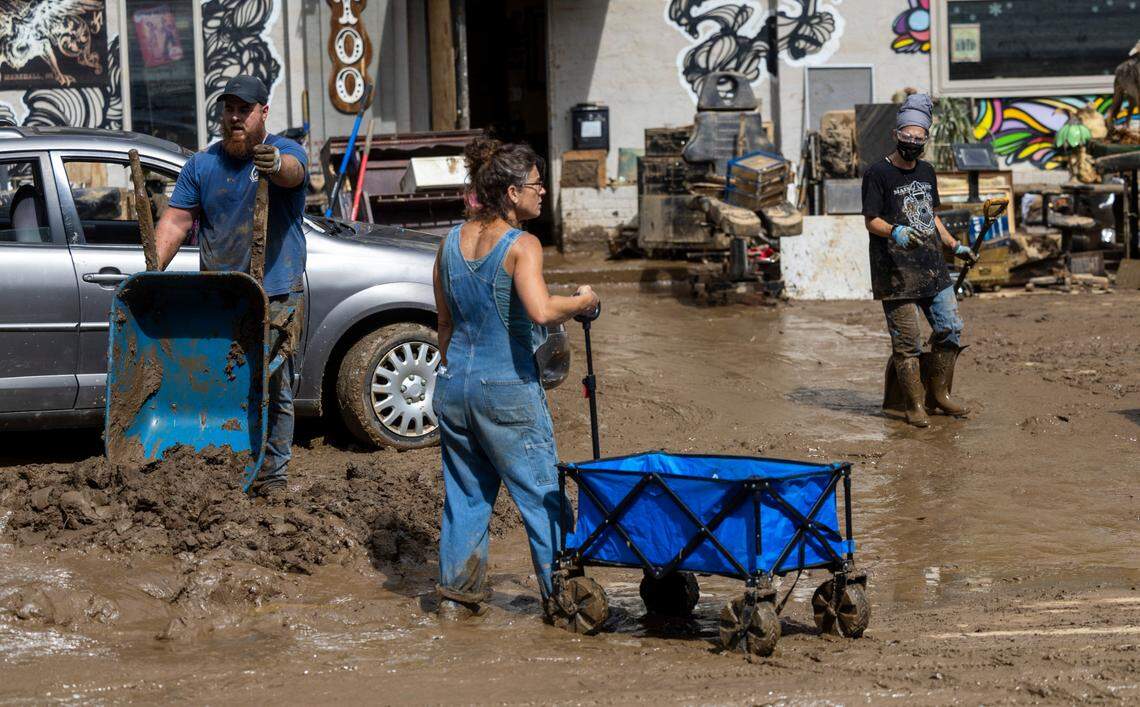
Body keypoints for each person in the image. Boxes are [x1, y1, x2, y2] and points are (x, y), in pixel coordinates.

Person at [432, 137, 600, 619]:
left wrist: (464, 373)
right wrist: (583, 301)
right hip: (507, 391)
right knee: (542, 493)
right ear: (510, 193)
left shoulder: (447, 243)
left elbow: (444, 325)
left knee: (465, 497)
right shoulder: (523, 244)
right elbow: (542, 310)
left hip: (454, 389)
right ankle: (566, 600)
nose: (542, 192)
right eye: (536, 185)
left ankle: (457, 599)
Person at [154, 75, 308, 497]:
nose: (236, 117)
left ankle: (273, 475)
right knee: (222, 380)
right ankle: (225, 462)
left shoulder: (285, 153)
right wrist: (152, 270)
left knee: (273, 386)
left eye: (245, 109)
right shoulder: (202, 166)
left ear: (263, 113)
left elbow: (293, 173)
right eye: (230, 109)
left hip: (275, 292)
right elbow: (176, 220)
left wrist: (274, 164)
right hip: (222, 295)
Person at [861, 93, 978, 428]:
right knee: (908, 342)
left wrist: (954, 246)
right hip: (894, 271)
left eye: (918, 137)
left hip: (932, 267)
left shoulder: (927, 171)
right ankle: (914, 405)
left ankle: (940, 394)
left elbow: (931, 216)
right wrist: (894, 231)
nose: (912, 142)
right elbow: (871, 220)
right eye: (906, 136)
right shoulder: (877, 173)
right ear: (896, 135)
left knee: (950, 328)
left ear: (926, 139)